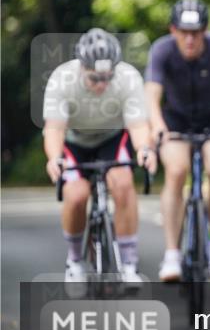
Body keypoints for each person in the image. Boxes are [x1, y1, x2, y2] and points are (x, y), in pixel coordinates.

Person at [145, 0, 210, 282]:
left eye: (196, 32)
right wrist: (156, 127)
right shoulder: (162, 50)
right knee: (177, 172)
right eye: (184, 32)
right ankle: (171, 254)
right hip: (175, 120)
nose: (190, 39)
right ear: (173, 30)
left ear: (205, 31)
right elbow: (152, 94)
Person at [42, 28, 157, 284]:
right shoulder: (62, 79)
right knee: (76, 194)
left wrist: (145, 150)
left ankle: (128, 263)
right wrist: (54, 158)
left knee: (123, 183)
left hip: (111, 138)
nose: (102, 85)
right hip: (75, 141)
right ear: (81, 68)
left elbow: (138, 126)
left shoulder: (128, 77)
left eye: (107, 77)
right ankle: (74, 261)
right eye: (95, 79)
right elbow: (54, 129)